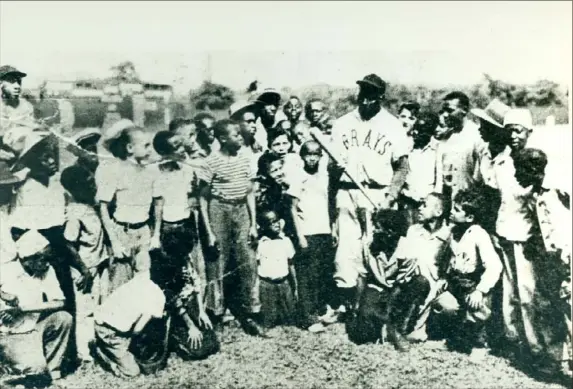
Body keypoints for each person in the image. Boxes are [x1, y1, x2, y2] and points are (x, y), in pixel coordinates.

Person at [328, 73, 410, 318]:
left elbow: (403, 166)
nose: (365, 101)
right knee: (345, 251)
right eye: (362, 94)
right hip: (347, 191)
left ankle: (372, 308)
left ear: (381, 97)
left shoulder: (393, 125)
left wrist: (389, 199)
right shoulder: (342, 123)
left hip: (377, 193)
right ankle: (348, 306)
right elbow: (331, 169)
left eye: (371, 95)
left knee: (374, 251)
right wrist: (335, 170)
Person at [196, 119, 265, 337]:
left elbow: (250, 192)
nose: (241, 137)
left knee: (248, 260)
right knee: (218, 261)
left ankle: (251, 312)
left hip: (241, 209)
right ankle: (216, 313)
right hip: (219, 209)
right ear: (223, 138)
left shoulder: (246, 159)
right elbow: (204, 198)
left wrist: (253, 223)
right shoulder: (211, 162)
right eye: (236, 134)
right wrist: (209, 231)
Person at [511, 148, 571, 379]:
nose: (516, 177)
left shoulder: (558, 191)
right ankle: (553, 361)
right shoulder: (536, 194)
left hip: (565, 259)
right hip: (550, 260)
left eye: (519, 171)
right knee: (546, 307)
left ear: (534, 171)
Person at [433, 188, 503, 361]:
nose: (451, 212)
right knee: (444, 304)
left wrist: (480, 290)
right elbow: (447, 258)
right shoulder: (453, 231)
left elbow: (495, 265)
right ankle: (455, 338)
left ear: (470, 217)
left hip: (474, 284)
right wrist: (444, 278)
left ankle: (480, 344)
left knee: (476, 308)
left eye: (457, 210)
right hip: (456, 282)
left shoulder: (479, 234)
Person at [346, 209, 429, 351]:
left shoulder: (407, 247)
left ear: (390, 232)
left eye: (378, 228)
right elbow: (362, 277)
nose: (374, 231)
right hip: (376, 286)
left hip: (399, 289)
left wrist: (389, 310)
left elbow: (402, 281)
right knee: (361, 334)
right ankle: (378, 324)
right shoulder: (368, 246)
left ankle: (397, 328)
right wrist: (358, 307)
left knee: (420, 282)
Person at [0, 230, 73, 386]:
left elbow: (60, 302)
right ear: (28, 259)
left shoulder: (46, 271)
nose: (47, 264)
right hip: (9, 334)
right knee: (36, 368)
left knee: (64, 318)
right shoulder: (5, 270)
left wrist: (22, 309)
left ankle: (55, 372)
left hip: (33, 328)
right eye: (43, 260)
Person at [95, 126, 163, 289]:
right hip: (122, 232)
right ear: (130, 148)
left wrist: (156, 235)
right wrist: (115, 242)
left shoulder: (153, 170)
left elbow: (158, 203)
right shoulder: (114, 170)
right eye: (145, 146)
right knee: (120, 285)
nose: (149, 150)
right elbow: (103, 207)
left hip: (144, 232)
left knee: (144, 284)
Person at [60, 165, 109, 363]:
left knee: (100, 305)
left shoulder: (90, 206)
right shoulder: (74, 213)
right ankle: (85, 354)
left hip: (99, 262)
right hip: (85, 268)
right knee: (84, 311)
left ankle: (97, 345)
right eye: (88, 184)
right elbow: (68, 243)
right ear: (76, 188)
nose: (93, 186)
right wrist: (83, 270)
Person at [150, 130, 198, 302]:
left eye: (181, 144)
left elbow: (191, 195)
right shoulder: (156, 172)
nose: (182, 149)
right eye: (176, 146)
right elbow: (157, 205)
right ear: (164, 152)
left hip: (186, 224)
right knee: (171, 273)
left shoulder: (186, 168)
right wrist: (155, 235)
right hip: (168, 228)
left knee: (189, 270)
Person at [292, 141, 334, 332]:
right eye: (308, 154)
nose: (312, 158)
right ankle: (308, 317)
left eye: (316, 154)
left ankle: (319, 310)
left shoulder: (324, 176)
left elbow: (328, 203)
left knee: (320, 274)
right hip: (307, 231)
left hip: (323, 230)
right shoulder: (298, 177)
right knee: (306, 276)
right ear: (302, 156)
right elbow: (292, 208)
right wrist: (300, 234)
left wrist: (332, 229)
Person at [92, 273, 166, 378]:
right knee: (133, 371)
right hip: (109, 332)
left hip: (104, 319)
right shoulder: (158, 297)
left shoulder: (142, 280)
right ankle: (102, 352)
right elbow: (137, 329)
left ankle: (115, 348)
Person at [401, 193, 452, 343]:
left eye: (425, 205)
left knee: (448, 306)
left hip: (436, 288)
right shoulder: (413, 231)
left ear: (438, 212)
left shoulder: (449, 235)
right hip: (414, 285)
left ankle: (430, 330)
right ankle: (408, 327)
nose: (420, 208)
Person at [434, 91, 485, 208]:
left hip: (468, 206)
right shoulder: (446, 137)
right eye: (444, 111)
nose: (445, 115)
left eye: (450, 110)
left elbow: (480, 177)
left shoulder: (476, 136)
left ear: (464, 110)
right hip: (447, 204)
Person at [256, 209, 298, 328]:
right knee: (269, 321)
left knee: (290, 319)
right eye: (271, 222)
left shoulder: (285, 241)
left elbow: (291, 265)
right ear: (263, 226)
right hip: (267, 286)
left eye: (277, 220)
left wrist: (295, 285)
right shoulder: (260, 244)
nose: (276, 224)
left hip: (284, 284)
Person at [401, 112, 440, 225]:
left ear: (430, 132)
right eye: (415, 128)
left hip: (427, 202)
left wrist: (432, 200)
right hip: (407, 201)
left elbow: (439, 180)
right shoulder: (408, 147)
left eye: (421, 130)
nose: (415, 133)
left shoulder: (438, 149)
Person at [0, 65, 34, 141]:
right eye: (11, 81)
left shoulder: (26, 106)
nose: (17, 86)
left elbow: (30, 130)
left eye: (19, 81)